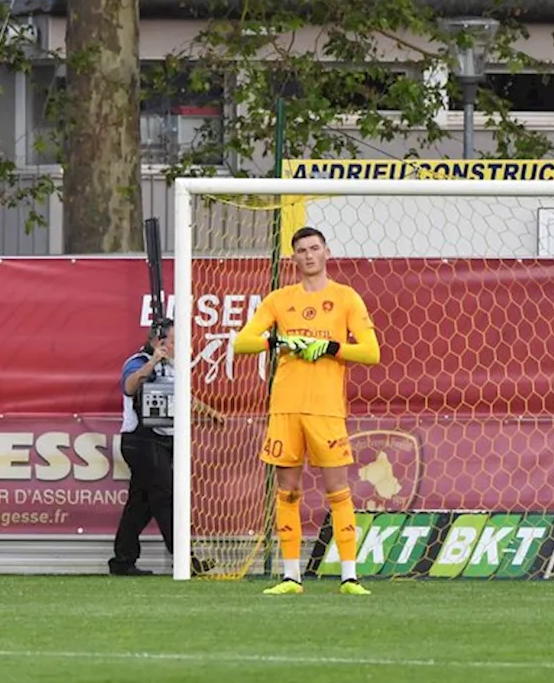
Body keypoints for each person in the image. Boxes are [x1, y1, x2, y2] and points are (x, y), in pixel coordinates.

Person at [233, 226, 381, 596]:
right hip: (285, 409)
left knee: (338, 490)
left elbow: (371, 351)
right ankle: (291, 576)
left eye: (315, 248)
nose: (309, 255)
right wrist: (279, 340)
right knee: (288, 490)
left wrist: (330, 348)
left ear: (327, 252)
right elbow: (242, 342)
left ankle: (349, 576)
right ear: (294, 258)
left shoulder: (346, 298)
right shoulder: (279, 300)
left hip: (326, 410)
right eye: (302, 250)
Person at [110, 318, 222, 576]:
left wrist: (210, 412)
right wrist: (152, 362)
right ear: (159, 342)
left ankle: (122, 561)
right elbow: (129, 387)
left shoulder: (172, 368)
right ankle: (185, 559)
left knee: (141, 504)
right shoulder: (138, 362)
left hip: (162, 441)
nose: (179, 346)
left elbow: (184, 396)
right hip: (141, 441)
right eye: (174, 341)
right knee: (167, 496)